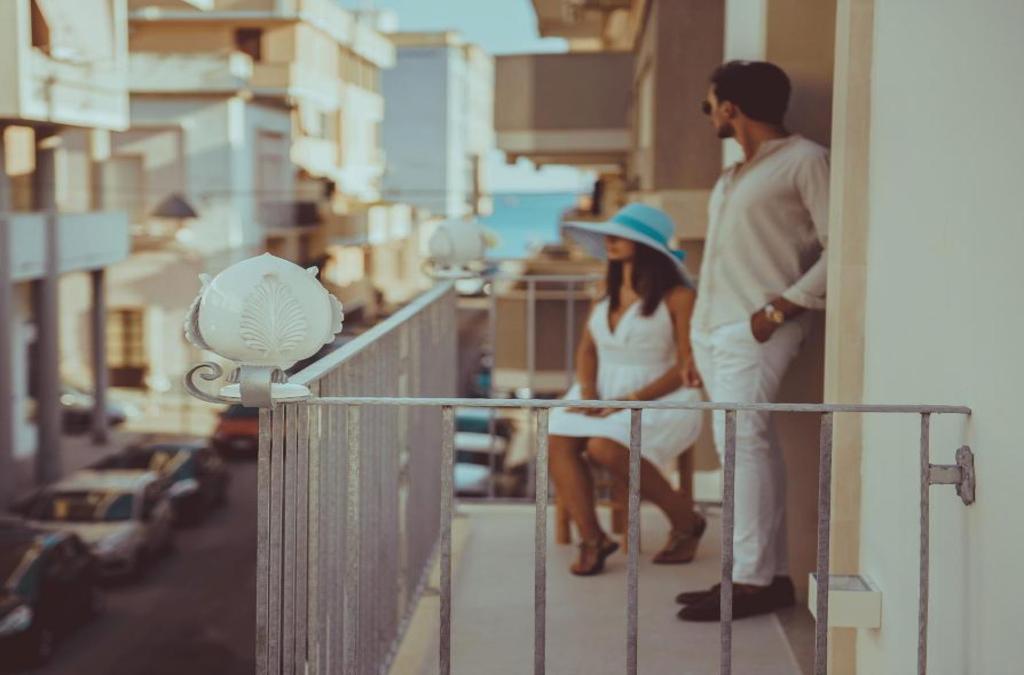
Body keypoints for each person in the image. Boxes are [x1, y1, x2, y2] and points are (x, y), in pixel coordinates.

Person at [675, 61, 830, 621]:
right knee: (746, 444)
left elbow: (844, 246)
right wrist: (695, 339)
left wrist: (782, 307)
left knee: (743, 442)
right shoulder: (733, 175)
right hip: (715, 329)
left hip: (758, 327)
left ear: (730, 108)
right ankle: (762, 575)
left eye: (708, 105)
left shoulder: (805, 160)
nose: (708, 115)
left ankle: (750, 579)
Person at [548, 203, 705, 576]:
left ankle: (687, 521)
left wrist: (630, 401)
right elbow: (587, 350)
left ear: (648, 247)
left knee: (603, 447)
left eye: (621, 236)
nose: (610, 241)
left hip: (661, 396)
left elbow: (688, 366)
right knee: (556, 437)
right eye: (609, 235)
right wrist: (589, 392)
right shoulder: (606, 291)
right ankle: (593, 539)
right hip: (601, 389)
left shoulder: (679, 297)